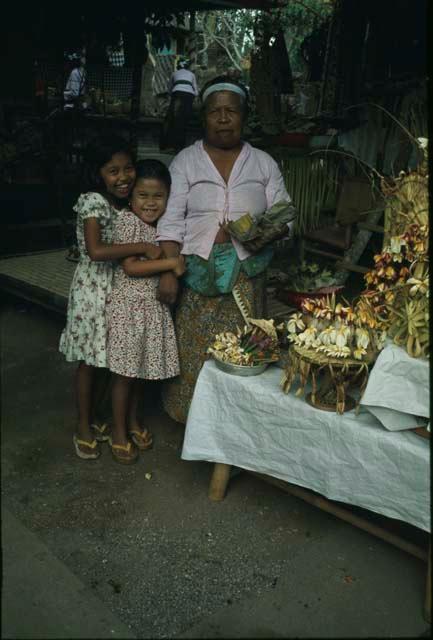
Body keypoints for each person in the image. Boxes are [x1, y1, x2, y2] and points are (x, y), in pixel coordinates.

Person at [156, 75, 296, 424]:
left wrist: (265, 233)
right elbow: (171, 221)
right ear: (203, 117)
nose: (222, 119)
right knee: (195, 350)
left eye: (231, 111)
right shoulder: (186, 161)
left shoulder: (263, 163)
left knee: (244, 349)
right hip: (195, 270)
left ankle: (236, 424)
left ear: (243, 117)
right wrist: (168, 272)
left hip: (248, 273)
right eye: (214, 112)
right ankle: (191, 419)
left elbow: (288, 218)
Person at [59, 136, 160, 460]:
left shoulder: (127, 204)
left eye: (128, 168)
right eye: (113, 170)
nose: (123, 177)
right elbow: (97, 250)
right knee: (90, 361)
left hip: (119, 290)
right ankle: (84, 426)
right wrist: (143, 248)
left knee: (111, 357)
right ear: (98, 173)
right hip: (92, 291)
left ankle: (103, 417)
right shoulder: (93, 201)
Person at [106, 160, 185, 464]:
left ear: (168, 198)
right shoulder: (128, 222)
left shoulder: (163, 229)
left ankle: (134, 421)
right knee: (125, 376)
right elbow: (131, 266)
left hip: (151, 311)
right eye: (143, 196)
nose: (150, 203)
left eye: (158, 197)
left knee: (139, 374)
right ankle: (119, 432)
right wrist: (171, 263)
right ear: (131, 197)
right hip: (130, 311)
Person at [160, 57, 199, 153]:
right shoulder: (191, 74)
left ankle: (170, 145)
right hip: (189, 95)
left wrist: (169, 96)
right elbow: (196, 89)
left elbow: (169, 88)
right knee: (184, 119)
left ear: (178, 66)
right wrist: (196, 97)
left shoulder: (174, 74)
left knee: (173, 119)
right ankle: (180, 146)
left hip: (177, 93)